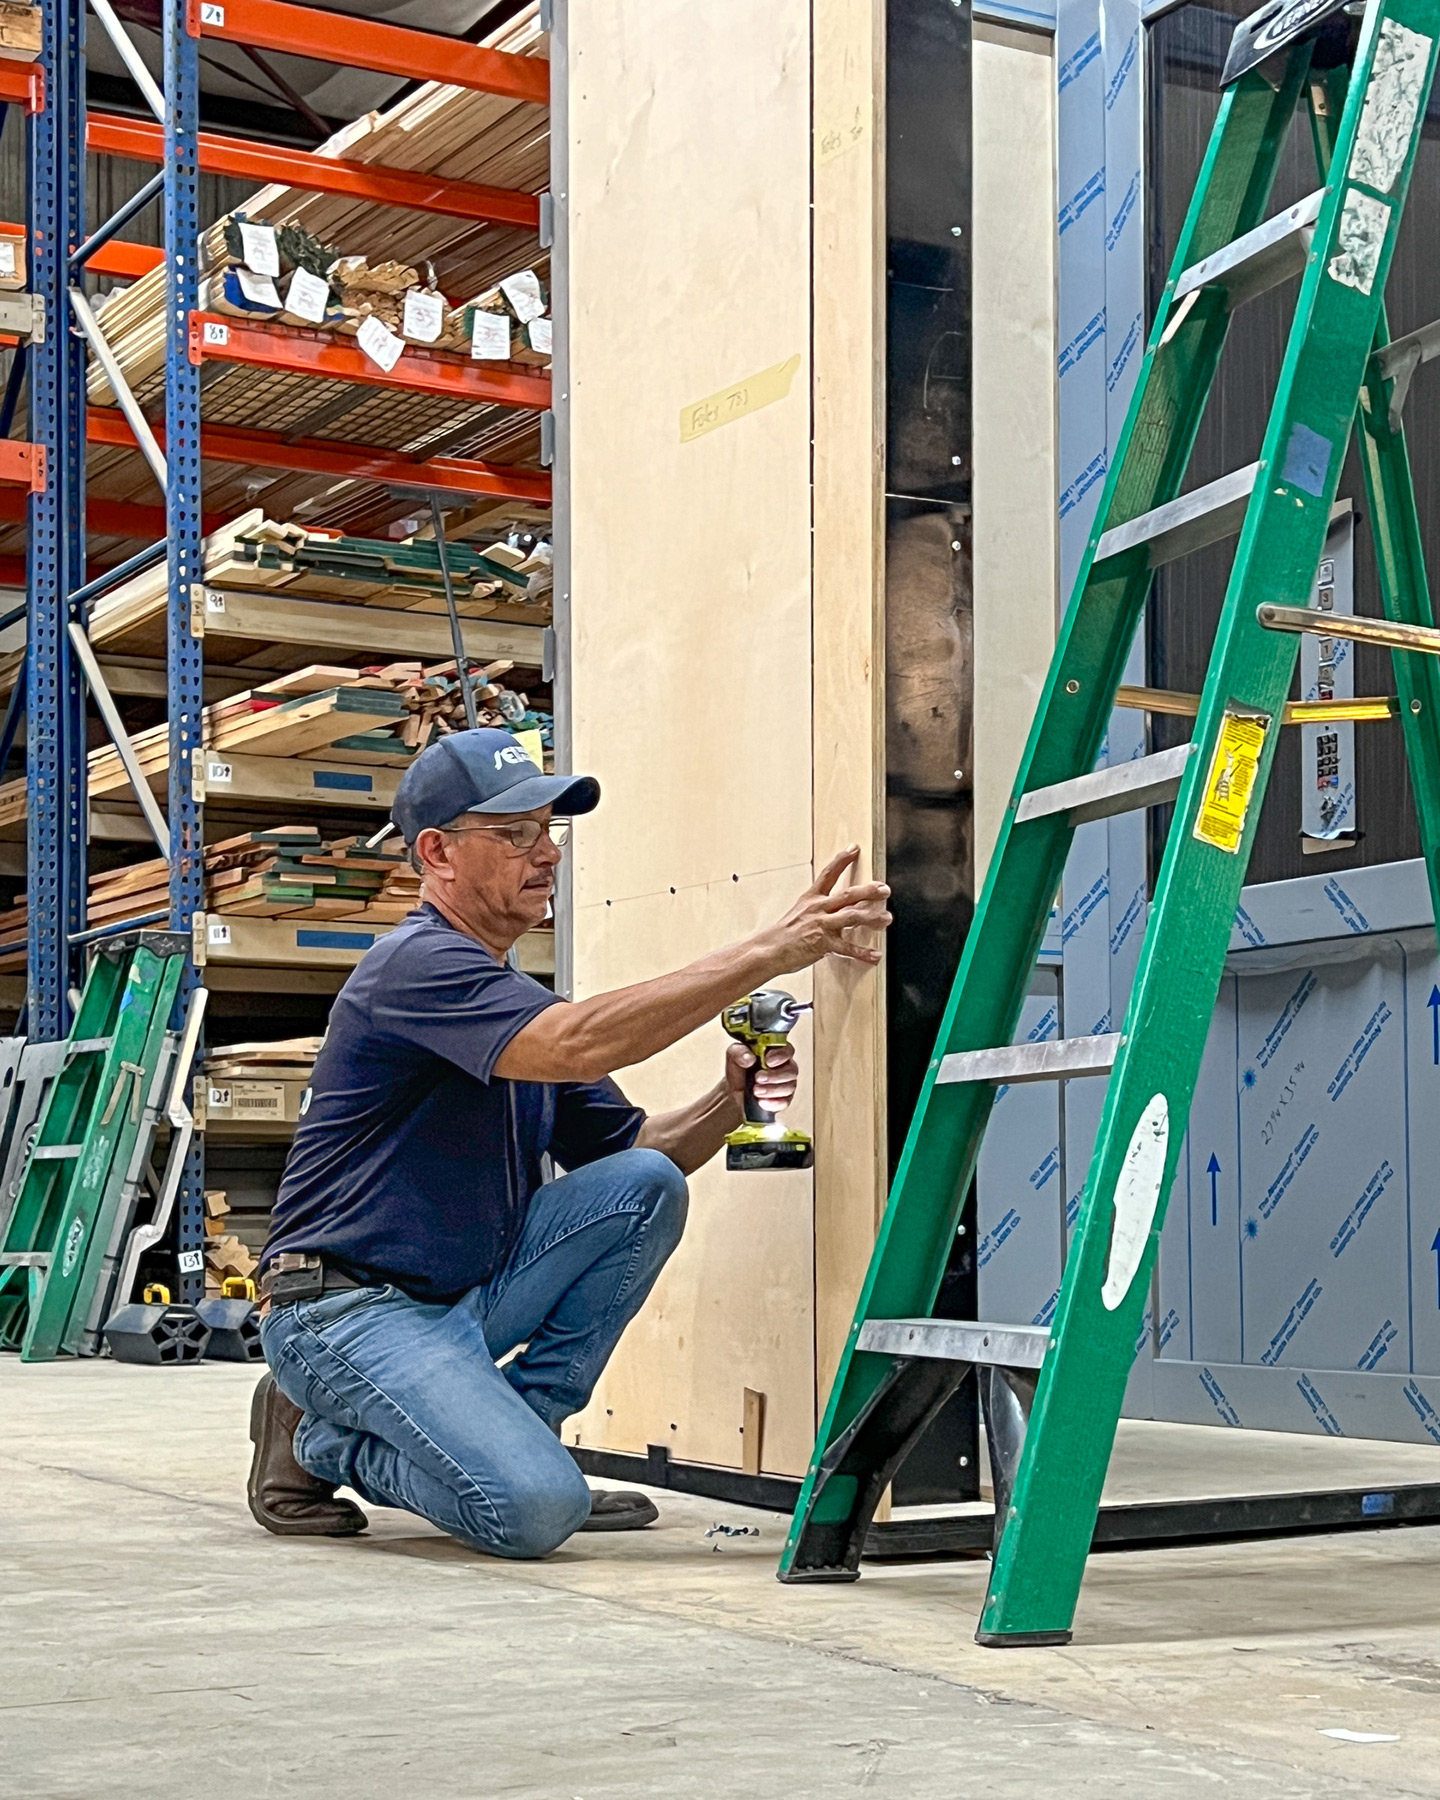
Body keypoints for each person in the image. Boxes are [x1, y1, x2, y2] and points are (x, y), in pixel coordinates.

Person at [248, 727, 891, 1557]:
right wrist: (773, 948)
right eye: (514, 835)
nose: (545, 854)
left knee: (647, 1183)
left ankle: (522, 1439)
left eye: (548, 832)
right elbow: (579, 1043)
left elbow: (644, 1149)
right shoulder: (412, 969)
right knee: (535, 1514)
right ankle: (316, 1440)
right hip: (346, 1309)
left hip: (457, 1301)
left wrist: (731, 1102)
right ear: (438, 853)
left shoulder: (511, 999)